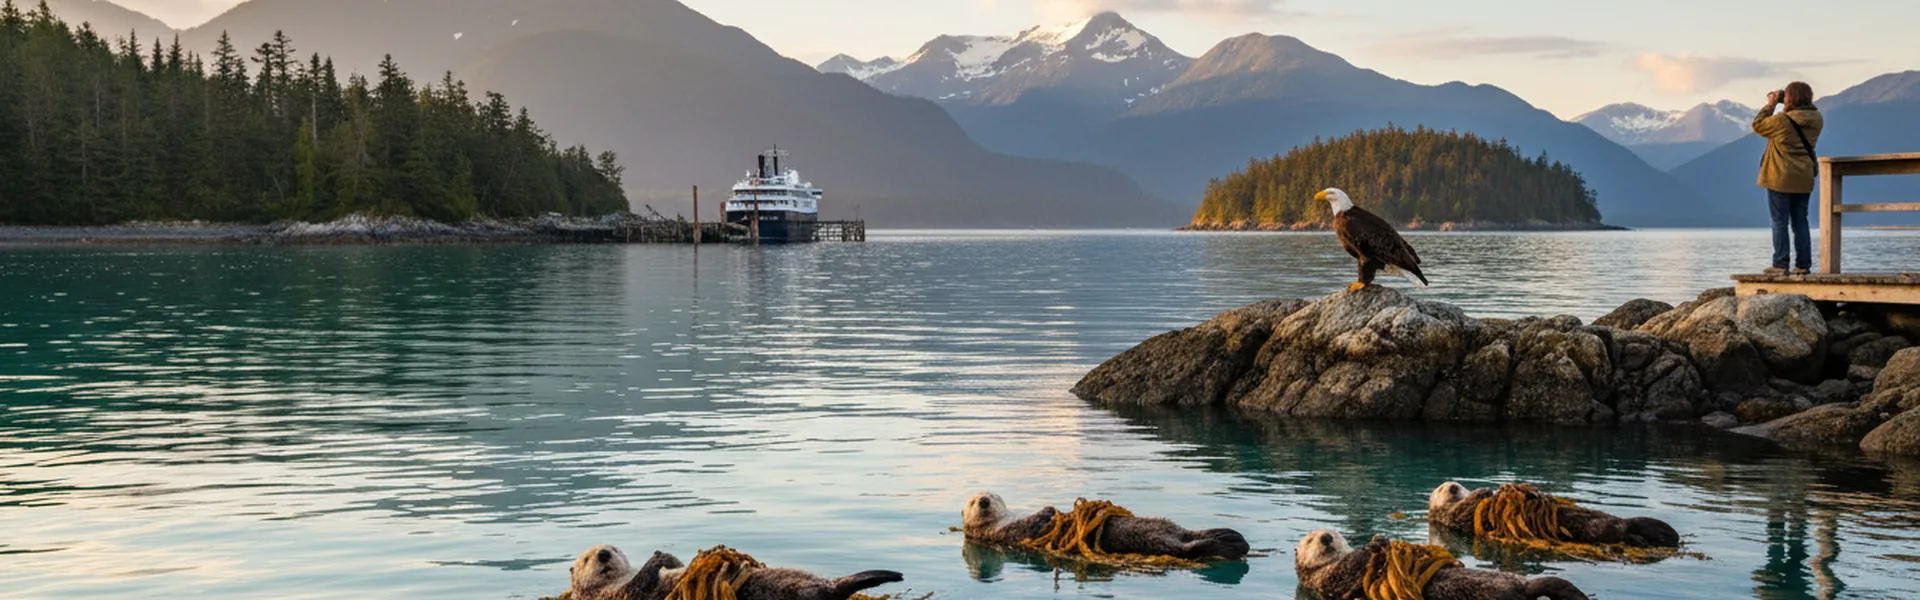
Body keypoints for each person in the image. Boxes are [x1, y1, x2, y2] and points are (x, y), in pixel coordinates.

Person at [1753, 82, 1823, 275]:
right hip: (1804, 176)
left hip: (1780, 176)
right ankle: (1803, 265)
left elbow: (1758, 125)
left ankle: (1780, 264)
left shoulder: (1782, 120)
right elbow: (1807, 109)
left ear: (1789, 98)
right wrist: (1788, 101)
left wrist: (1771, 105)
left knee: (1779, 221)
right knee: (1801, 221)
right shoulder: (1817, 118)